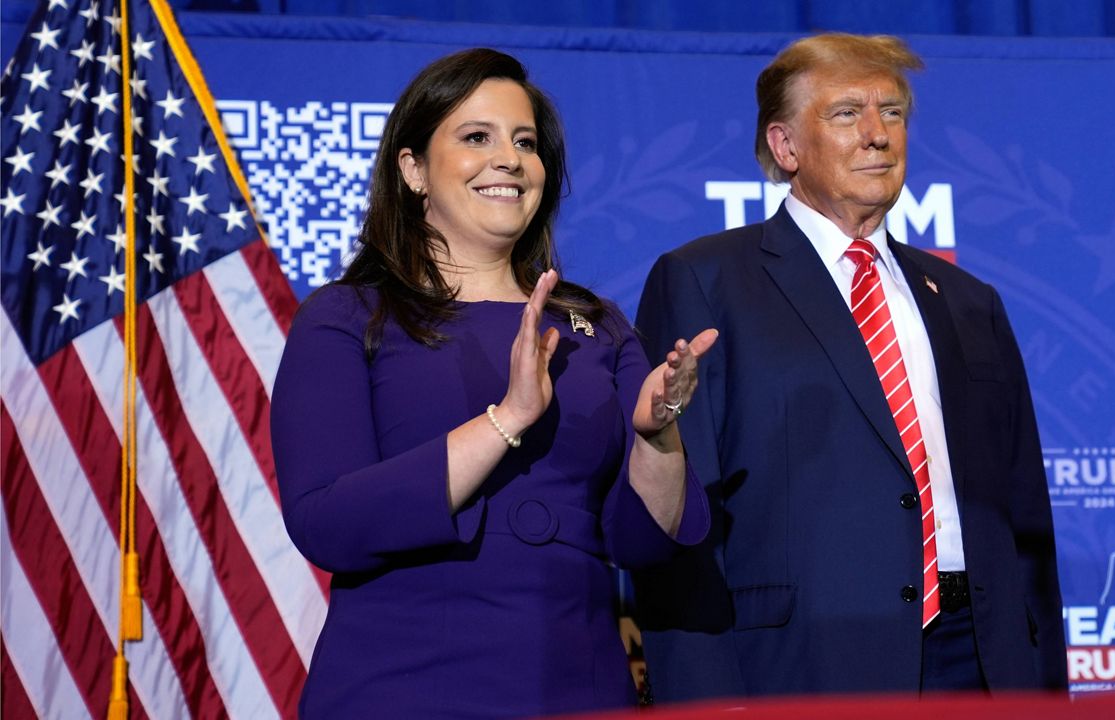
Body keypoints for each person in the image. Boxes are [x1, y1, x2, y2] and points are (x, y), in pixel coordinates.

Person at [270, 48, 716, 719]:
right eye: (476, 137)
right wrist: (506, 419)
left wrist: (658, 436)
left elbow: (641, 542)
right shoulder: (347, 316)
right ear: (413, 169)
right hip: (399, 686)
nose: (509, 158)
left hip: (579, 684)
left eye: (526, 142)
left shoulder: (597, 324)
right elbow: (326, 522)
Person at [633, 33, 1066, 698]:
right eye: (846, 114)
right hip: (806, 661)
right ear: (784, 147)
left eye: (891, 113)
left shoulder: (968, 301)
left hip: (982, 657)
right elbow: (682, 524)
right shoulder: (705, 280)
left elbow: (1024, 516)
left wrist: (1042, 684)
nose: (877, 135)